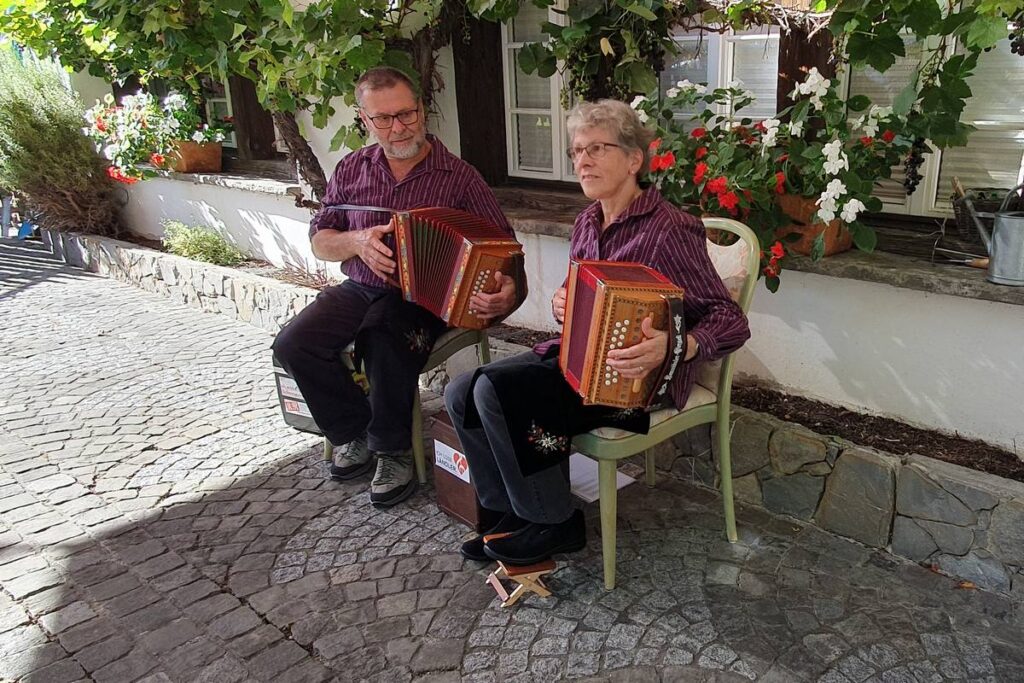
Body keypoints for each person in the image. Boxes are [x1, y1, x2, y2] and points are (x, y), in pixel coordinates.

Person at [444, 99, 750, 565]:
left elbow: (730, 320)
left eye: (596, 149)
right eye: (576, 151)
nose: (582, 160)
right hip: (581, 361)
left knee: (499, 391)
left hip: (635, 380)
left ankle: (554, 522)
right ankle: (509, 515)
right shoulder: (588, 220)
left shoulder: (670, 228)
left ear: (633, 159)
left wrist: (678, 345)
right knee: (462, 389)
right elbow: (585, 296)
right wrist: (562, 301)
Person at [273, 67, 525, 507]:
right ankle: (353, 430)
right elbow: (320, 239)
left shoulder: (458, 176)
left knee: (383, 336)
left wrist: (506, 290)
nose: (397, 127)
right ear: (364, 120)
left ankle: (393, 449)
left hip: (425, 300)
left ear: (422, 110)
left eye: (406, 114)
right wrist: (356, 241)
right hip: (360, 289)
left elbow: (506, 247)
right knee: (294, 343)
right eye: (383, 119)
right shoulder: (351, 169)